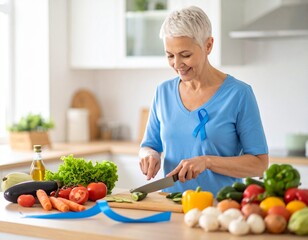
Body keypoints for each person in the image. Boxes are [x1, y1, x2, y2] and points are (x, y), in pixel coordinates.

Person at [138, 6, 269, 196]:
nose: (177, 64)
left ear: (208, 45)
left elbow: (260, 165)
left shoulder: (239, 94)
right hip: (172, 206)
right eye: (170, 55)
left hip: (221, 209)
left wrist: (207, 162)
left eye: (185, 55)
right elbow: (149, 145)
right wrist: (149, 155)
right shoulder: (163, 92)